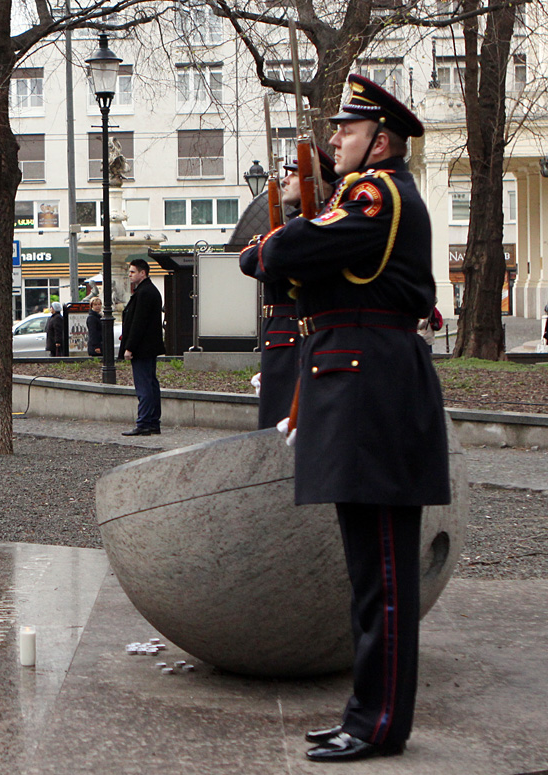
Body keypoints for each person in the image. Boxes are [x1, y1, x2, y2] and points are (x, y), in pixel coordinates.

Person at [258, 74, 450, 762]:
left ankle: (377, 722)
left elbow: (280, 255)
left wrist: (290, 231)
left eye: (348, 128)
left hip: (375, 394)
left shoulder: (379, 193)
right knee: (370, 574)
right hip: (360, 387)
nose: (335, 137)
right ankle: (368, 712)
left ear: (383, 141)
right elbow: (278, 263)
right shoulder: (365, 196)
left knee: (386, 579)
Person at [239, 148, 338, 429]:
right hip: (283, 333)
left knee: (283, 425)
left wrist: (269, 244)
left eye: (294, 174)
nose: (285, 180)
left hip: (294, 332)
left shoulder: (309, 226)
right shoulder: (294, 225)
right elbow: (249, 257)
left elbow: (252, 260)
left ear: (314, 183)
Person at [118, 258, 164, 436]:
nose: (130, 275)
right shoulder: (148, 291)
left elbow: (138, 323)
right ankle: (152, 422)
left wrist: (129, 348)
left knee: (144, 386)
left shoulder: (144, 293)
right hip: (149, 347)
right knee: (151, 384)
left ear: (142, 273)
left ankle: (144, 422)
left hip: (143, 348)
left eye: (132, 272)